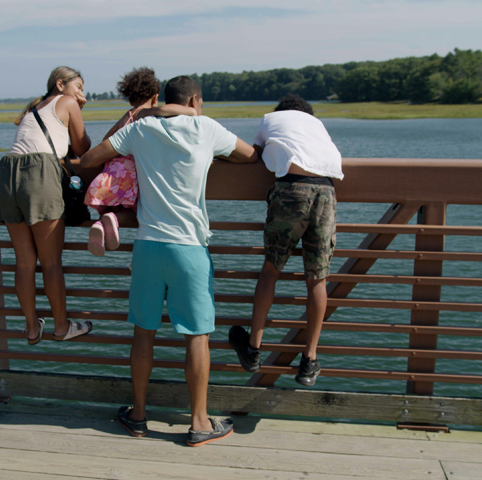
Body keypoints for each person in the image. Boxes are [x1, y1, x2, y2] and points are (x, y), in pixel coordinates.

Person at [80, 76, 258, 447]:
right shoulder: (205, 127)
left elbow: (90, 158)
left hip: (148, 245)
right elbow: (250, 155)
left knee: (143, 331)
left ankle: (139, 416)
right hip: (189, 247)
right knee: (197, 336)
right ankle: (198, 423)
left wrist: (147, 114)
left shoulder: (143, 128)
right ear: (195, 99)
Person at [228, 93, 343, 386]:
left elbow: (254, 154)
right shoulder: (317, 125)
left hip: (292, 190)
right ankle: (310, 361)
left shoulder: (271, 119)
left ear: (282, 111)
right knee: (317, 280)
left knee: (271, 270)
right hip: (326, 192)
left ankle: (253, 350)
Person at [0, 66, 94, 345]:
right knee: (51, 262)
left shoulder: (35, 108)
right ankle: (61, 326)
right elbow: (83, 147)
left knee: (25, 263)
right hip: (38, 174)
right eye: (79, 87)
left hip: (7, 173)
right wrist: (78, 109)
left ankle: (31, 328)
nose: (82, 94)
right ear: (61, 84)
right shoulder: (68, 102)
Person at [84, 67, 193, 256]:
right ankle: (112, 219)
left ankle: (102, 223)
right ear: (155, 96)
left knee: (113, 207)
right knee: (136, 212)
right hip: (135, 174)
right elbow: (189, 112)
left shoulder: (127, 117)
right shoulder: (152, 115)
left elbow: (105, 143)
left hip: (113, 173)